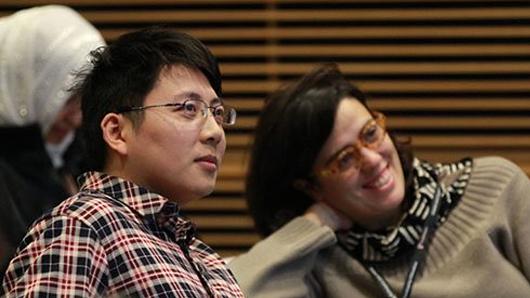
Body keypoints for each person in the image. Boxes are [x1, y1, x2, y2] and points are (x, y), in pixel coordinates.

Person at [228, 63, 530, 297]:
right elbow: (234, 292)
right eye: (344, 159)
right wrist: (313, 226)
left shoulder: (493, 186)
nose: (372, 160)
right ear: (311, 186)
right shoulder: (318, 263)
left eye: (370, 134)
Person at [2, 27, 244, 297]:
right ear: (117, 132)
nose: (215, 132)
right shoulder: (83, 226)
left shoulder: (204, 257)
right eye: (188, 108)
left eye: (218, 112)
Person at [0, 5, 105, 279]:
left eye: (85, 99)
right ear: (22, 83)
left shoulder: (85, 153)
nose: (77, 117)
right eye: (66, 98)